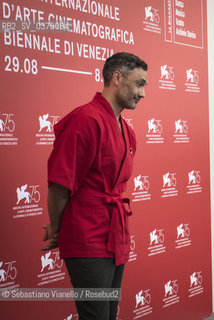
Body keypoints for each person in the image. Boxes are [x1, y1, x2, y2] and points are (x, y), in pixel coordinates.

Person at [41, 52, 148, 320]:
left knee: (109, 314)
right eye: (139, 84)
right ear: (117, 78)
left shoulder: (126, 128)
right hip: (87, 234)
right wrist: (56, 228)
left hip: (115, 233)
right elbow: (59, 185)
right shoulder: (85, 120)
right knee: (96, 316)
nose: (143, 93)